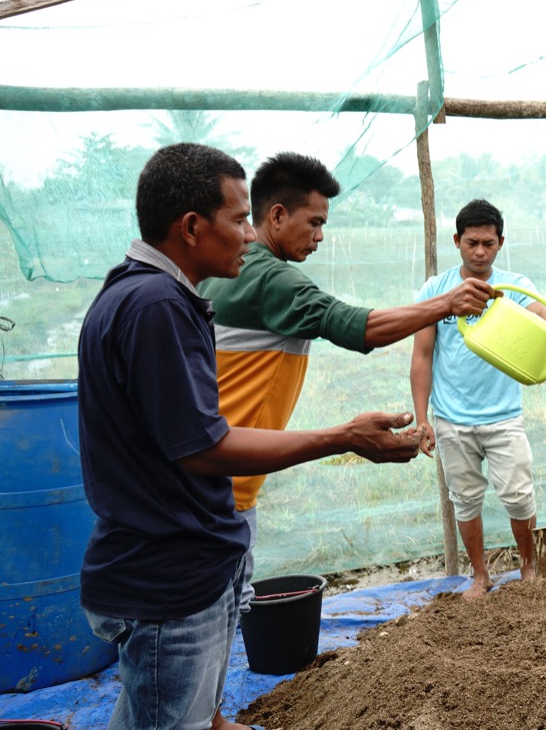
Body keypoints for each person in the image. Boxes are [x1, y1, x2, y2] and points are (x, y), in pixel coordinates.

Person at [76, 144, 466, 730]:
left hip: (187, 539)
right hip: (174, 563)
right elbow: (204, 447)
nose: (249, 237)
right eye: (239, 222)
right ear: (190, 227)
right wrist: (344, 435)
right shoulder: (162, 304)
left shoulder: (139, 292)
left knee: (168, 707)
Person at [201, 152, 494, 612]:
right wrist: (444, 304)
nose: (320, 237)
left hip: (210, 475)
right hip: (221, 492)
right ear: (276, 216)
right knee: (213, 623)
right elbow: (357, 327)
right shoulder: (271, 279)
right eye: (314, 223)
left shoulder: (221, 275)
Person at [409, 198, 546, 600]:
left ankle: (529, 565)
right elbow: (422, 356)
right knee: (465, 498)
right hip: (452, 419)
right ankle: (480, 575)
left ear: (501, 242)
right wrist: (423, 419)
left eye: (488, 243)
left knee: (519, 494)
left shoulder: (512, 289)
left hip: (503, 416)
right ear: (457, 241)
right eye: (472, 243)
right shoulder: (437, 291)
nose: (480, 251)